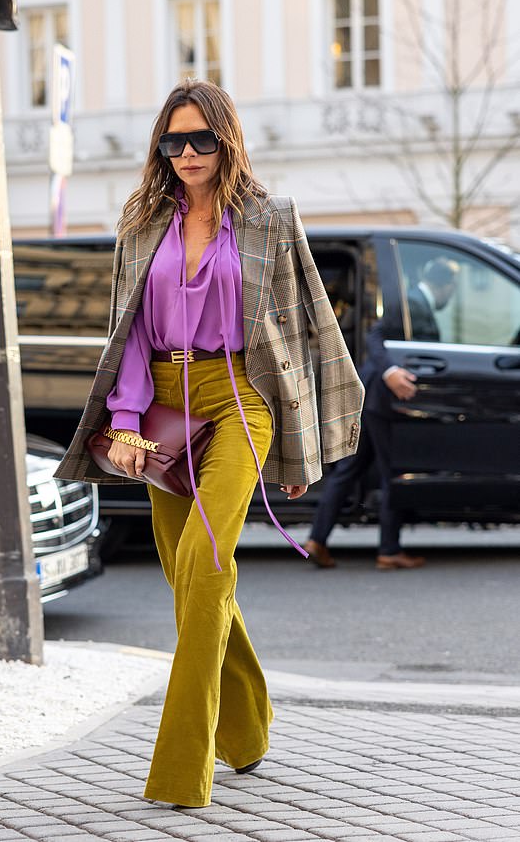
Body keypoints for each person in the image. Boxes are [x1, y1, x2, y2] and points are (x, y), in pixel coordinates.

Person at [53, 79, 364, 808]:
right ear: (161, 148)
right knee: (188, 575)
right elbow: (124, 330)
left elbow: (305, 329)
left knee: (206, 557)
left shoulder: (269, 219)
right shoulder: (141, 222)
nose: (188, 153)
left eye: (201, 139)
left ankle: (181, 767)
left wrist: (299, 446)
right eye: (174, 140)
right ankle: (250, 727)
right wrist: (125, 421)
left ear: (227, 140)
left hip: (242, 400)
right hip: (163, 406)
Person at [305, 256, 458, 571]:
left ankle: (317, 539)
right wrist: (390, 370)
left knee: (350, 468)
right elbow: (375, 336)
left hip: (373, 400)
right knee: (393, 473)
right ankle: (389, 550)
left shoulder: (414, 300)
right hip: (384, 399)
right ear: (446, 286)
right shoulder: (412, 302)